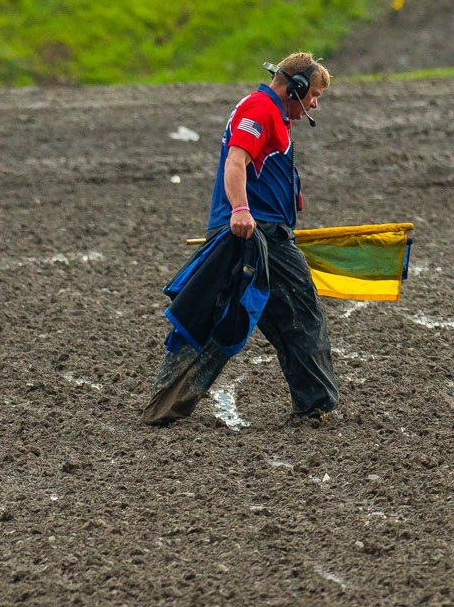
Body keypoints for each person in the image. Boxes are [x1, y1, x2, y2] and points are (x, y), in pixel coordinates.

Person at [142, 54, 341, 428]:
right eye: (313, 94)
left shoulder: (272, 115)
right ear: (295, 87)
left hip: (252, 231)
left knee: (218, 317)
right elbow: (237, 160)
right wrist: (241, 210)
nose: (314, 104)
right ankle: (317, 405)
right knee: (301, 313)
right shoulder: (261, 109)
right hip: (258, 234)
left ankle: (165, 404)